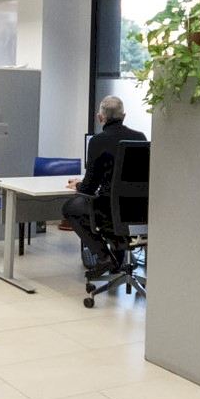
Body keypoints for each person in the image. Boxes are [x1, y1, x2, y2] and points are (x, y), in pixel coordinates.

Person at [62, 95, 146, 270]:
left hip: (108, 212)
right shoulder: (140, 137)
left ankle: (104, 257)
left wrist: (77, 185)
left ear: (100, 118)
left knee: (71, 207)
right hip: (138, 212)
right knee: (107, 209)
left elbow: (88, 188)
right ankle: (117, 254)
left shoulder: (97, 141)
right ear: (124, 116)